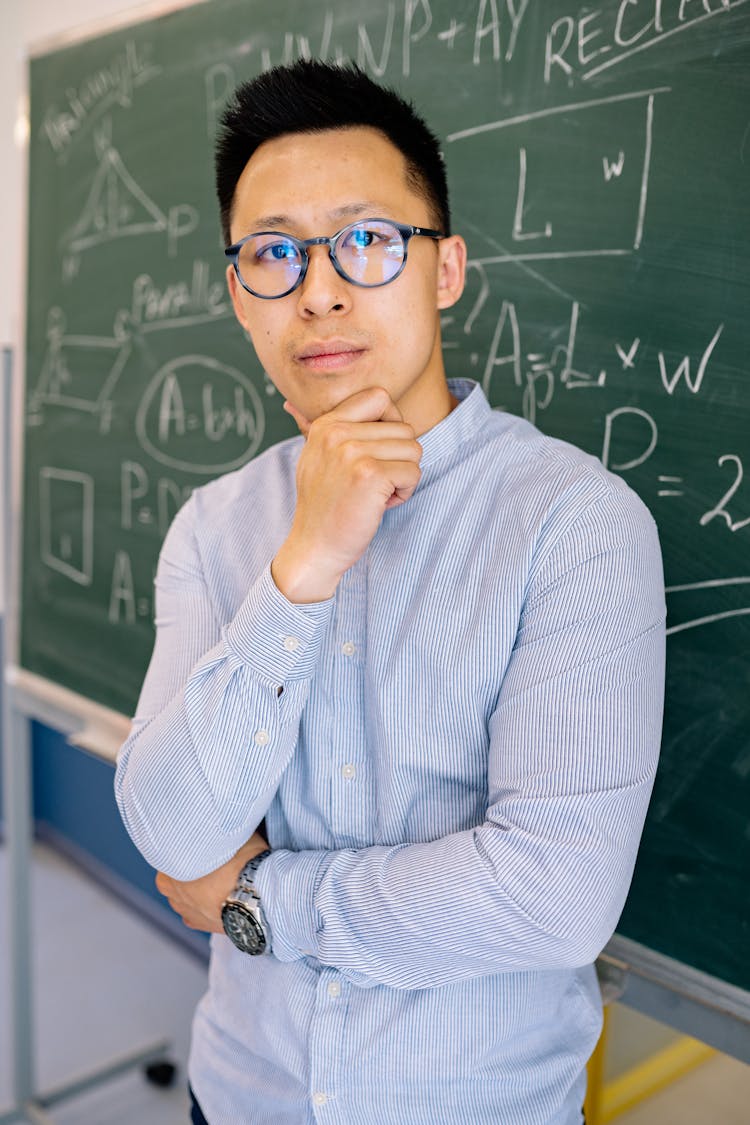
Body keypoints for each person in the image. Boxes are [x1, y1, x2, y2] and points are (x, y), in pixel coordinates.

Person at [115, 59, 666, 1125]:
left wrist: (258, 903)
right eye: (272, 253)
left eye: (367, 240)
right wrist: (302, 570)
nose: (317, 289)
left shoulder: (574, 522)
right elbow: (175, 835)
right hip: (239, 1095)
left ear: (446, 268)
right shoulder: (217, 526)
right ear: (238, 293)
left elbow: (552, 900)